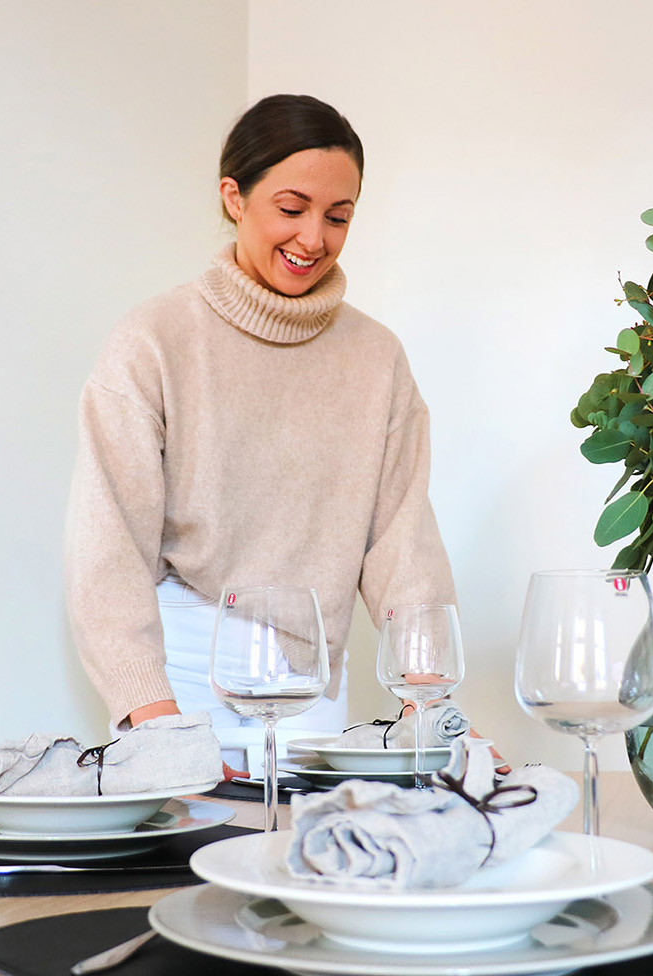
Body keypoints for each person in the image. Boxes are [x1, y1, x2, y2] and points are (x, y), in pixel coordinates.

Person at [63, 95, 457, 771]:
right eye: (291, 207)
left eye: (339, 216)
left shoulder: (376, 358)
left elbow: (403, 546)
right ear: (234, 197)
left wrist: (433, 709)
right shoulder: (153, 341)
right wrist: (156, 723)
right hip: (179, 684)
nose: (314, 238)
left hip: (311, 691)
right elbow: (108, 548)